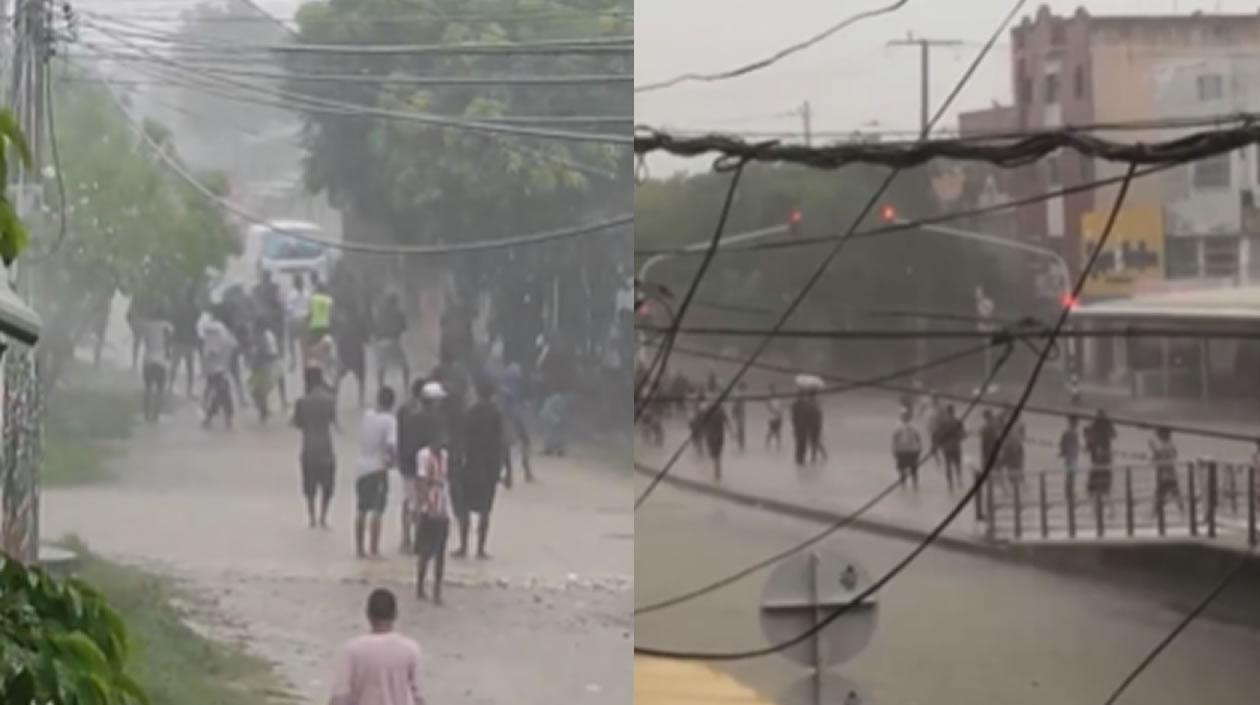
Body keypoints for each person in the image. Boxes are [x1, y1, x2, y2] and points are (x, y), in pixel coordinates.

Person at [329, 588, 423, 705]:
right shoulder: (411, 649)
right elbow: (418, 696)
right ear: (395, 614)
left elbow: (339, 697)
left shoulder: (352, 650)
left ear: (367, 614)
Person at [454, 380, 504, 559]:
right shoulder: (496, 415)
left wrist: (456, 465)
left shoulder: (470, 413)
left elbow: (461, 441)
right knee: (485, 510)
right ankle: (481, 549)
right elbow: (501, 443)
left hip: (470, 466)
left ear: (477, 392)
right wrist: (504, 470)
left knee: (465, 508)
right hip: (490, 468)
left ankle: (463, 546)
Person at [397, 379, 443, 553]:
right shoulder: (430, 418)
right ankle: (418, 540)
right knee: (422, 501)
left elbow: (400, 436)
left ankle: (407, 539)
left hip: (407, 462)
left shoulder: (404, 411)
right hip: (421, 464)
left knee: (409, 501)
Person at [356, 386, 398, 559]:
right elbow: (391, 446)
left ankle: (360, 549)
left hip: (361, 468)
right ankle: (374, 549)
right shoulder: (390, 420)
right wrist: (394, 462)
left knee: (361, 509)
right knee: (377, 510)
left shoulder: (367, 416)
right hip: (378, 468)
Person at [293, 367, 337, 529]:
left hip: (308, 449)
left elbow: (297, 423)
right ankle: (323, 518)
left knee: (309, 486)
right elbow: (332, 420)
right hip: (326, 448)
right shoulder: (330, 400)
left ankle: (311, 517)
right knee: (327, 486)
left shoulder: (301, 402)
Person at [414, 433, 452, 604]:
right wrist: (423, 506)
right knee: (425, 551)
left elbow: (445, 479)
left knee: (440, 551)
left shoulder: (445, 456)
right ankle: (420, 586)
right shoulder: (423, 456)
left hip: (442, 506)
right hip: (429, 507)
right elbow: (421, 482)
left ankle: (437, 590)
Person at [253, 270, 287, 408]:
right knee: (278, 371)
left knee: (262, 371)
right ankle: (281, 401)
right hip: (272, 335)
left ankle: (264, 403)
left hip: (262, 337)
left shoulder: (256, 291)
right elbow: (281, 310)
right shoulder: (273, 290)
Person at [200, 311, 238, 430]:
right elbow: (230, 347)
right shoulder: (221, 332)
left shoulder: (216, 331)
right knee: (223, 394)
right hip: (219, 369)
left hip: (216, 369)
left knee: (221, 394)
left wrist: (205, 368)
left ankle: (211, 418)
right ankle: (223, 418)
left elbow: (210, 351)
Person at [498, 362, 533, 487]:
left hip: (510, 415)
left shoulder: (506, 383)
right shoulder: (509, 385)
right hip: (511, 415)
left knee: (507, 445)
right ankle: (523, 471)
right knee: (509, 445)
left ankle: (516, 472)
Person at [137, 313, 174, 423]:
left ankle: (146, 414)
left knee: (148, 389)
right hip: (161, 362)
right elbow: (169, 343)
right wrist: (168, 353)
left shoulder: (147, 326)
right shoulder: (167, 326)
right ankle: (155, 416)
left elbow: (145, 341)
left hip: (148, 360)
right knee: (160, 390)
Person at [247, 318, 281, 424]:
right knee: (257, 390)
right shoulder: (266, 335)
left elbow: (266, 353)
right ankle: (264, 410)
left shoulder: (263, 337)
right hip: (264, 366)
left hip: (264, 367)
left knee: (257, 390)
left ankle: (264, 412)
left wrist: (255, 361)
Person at [170, 284, 201, 398]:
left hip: (178, 338)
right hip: (189, 340)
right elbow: (197, 323)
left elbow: (173, 320)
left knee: (174, 364)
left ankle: (170, 386)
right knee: (190, 367)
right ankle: (189, 390)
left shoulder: (179, 307)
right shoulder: (196, 310)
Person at [375, 292, 410, 392]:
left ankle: (380, 387)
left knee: (381, 367)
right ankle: (406, 388)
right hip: (394, 342)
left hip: (381, 343)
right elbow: (404, 328)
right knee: (405, 367)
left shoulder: (381, 313)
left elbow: (376, 329)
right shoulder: (399, 313)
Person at [1085, 409, 1117, 516]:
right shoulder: (1107, 430)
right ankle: (1111, 511)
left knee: (1091, 489)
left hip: (1097, 465)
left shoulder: (1092, 431)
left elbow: (1088, 448)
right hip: (1106, 464)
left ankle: (1095, 512)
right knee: (1105, 490)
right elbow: (1114, 435)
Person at [1150, 427, 1184, 516]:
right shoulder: (1169, 445)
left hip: (1165, 475)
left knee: (1161, 495)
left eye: (1158, 434)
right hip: (1168, 475)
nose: (1157, 436)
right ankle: (1183, 512)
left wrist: (1154, 450)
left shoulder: (1167, 446)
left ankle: (1153, 514)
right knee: (1172, 494)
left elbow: (1160, 457)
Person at [700, 398, 732, 483]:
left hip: (710, 436)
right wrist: (731, 433)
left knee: (713, 455)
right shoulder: (721, 411)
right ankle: (717, 475)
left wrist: (702, 433)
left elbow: (702, 424)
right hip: (719, 436)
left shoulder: (707, 411)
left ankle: (713, 473)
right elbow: (727, 422)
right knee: (717, 456)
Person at [892, 411, 923, 489]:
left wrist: (894, 450)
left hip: (906, 451)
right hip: (907, 451)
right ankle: (911, 486)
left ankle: (907, 486)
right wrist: (919, 448)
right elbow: (918, 437)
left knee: (907, 470)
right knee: (910, 470)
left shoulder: (900, 427)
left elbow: (895, 439)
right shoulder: (909, 427)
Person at [938, 404, 965, 492]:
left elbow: (939, 435)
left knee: (948, 465)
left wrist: (941, 445)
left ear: (947, 412)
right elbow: (962, 434)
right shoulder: (958, 421)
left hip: (946, 447)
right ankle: (959, 481)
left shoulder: (942, 422)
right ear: (954, 411)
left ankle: (950, 485)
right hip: (956, 446)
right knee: (958, 465)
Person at [286, 273, 310, 371]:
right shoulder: (307, 293)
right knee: (304, 343)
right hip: (305, 320)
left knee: (290, 341)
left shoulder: (291, 294)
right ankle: (305, 362)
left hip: (295, 320)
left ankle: (293, 359)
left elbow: (289, 308)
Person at [1060, 416, 1081, 501]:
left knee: (1069, 475)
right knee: (1071, 475)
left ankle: (1068, 492)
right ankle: (1069, 492)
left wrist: (1063, 452)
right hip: (1072, 457)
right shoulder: (1073, 433)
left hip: (1069, 457)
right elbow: (1074, 445)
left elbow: (1062, 444)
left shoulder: (1067, 432)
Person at [765, 384, 783, 451]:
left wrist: (780, 414)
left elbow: (780, 406)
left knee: (777, 431)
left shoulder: (777, 397)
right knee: (772, 431)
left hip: (778, 417)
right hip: (772, 417)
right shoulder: (769, 398)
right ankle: (767, 444)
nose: (773, 390)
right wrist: (775, 412)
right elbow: (768, 406)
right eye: (772, 389)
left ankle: (778, 445)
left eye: (773, 389)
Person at [731, 382, 747, 452]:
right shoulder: (739, 393)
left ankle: (741, 444)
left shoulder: (738, 393)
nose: (745, 389)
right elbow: (736, 404)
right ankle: (741, 444)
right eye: (744, 388)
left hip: (740, 413)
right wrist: (734, 413)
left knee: (740, 428)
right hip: (739, 413)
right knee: (740, 429)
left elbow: (736, 404)